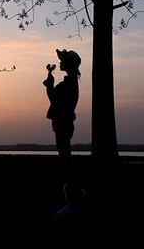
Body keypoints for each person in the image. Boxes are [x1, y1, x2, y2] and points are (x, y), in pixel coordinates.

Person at [43, 48, 84, 217]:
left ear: (69, 64)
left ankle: (74, 204)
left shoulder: (69, 84)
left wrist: (50, 87)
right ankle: (74, 202)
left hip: (64, 125)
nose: (60, 62)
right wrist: (50, 86)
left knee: (66, 163)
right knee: (66, 162)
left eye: (63, 60)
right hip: (63, 124)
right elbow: (55, 98)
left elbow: (56, 100)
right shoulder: (69, 82)